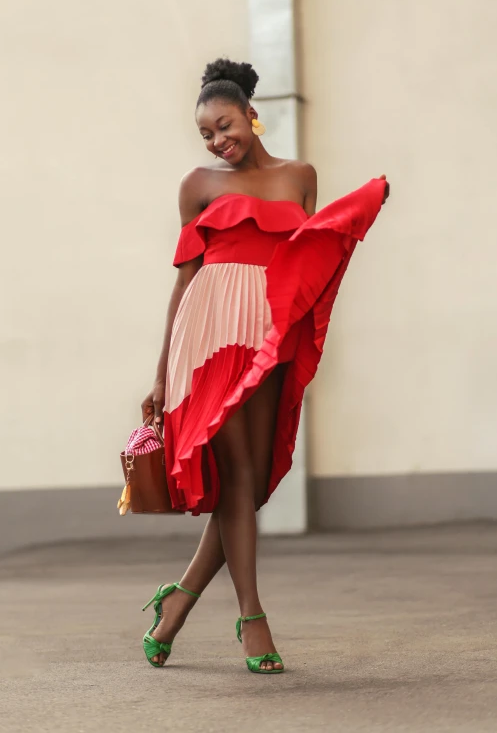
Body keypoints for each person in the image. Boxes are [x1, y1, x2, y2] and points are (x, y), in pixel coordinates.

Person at [140, 58, 389, 674]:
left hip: (268, 335)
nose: (217, 142)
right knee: (237, 470)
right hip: (209, 331)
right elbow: (186, 279)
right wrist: (161, 369)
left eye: (224, 126)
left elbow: (307, 256)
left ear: (251, 115)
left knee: (244, 488)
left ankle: (177, 603)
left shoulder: (299, 176)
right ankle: (252, 616)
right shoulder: (196, 184)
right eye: (205, 134)